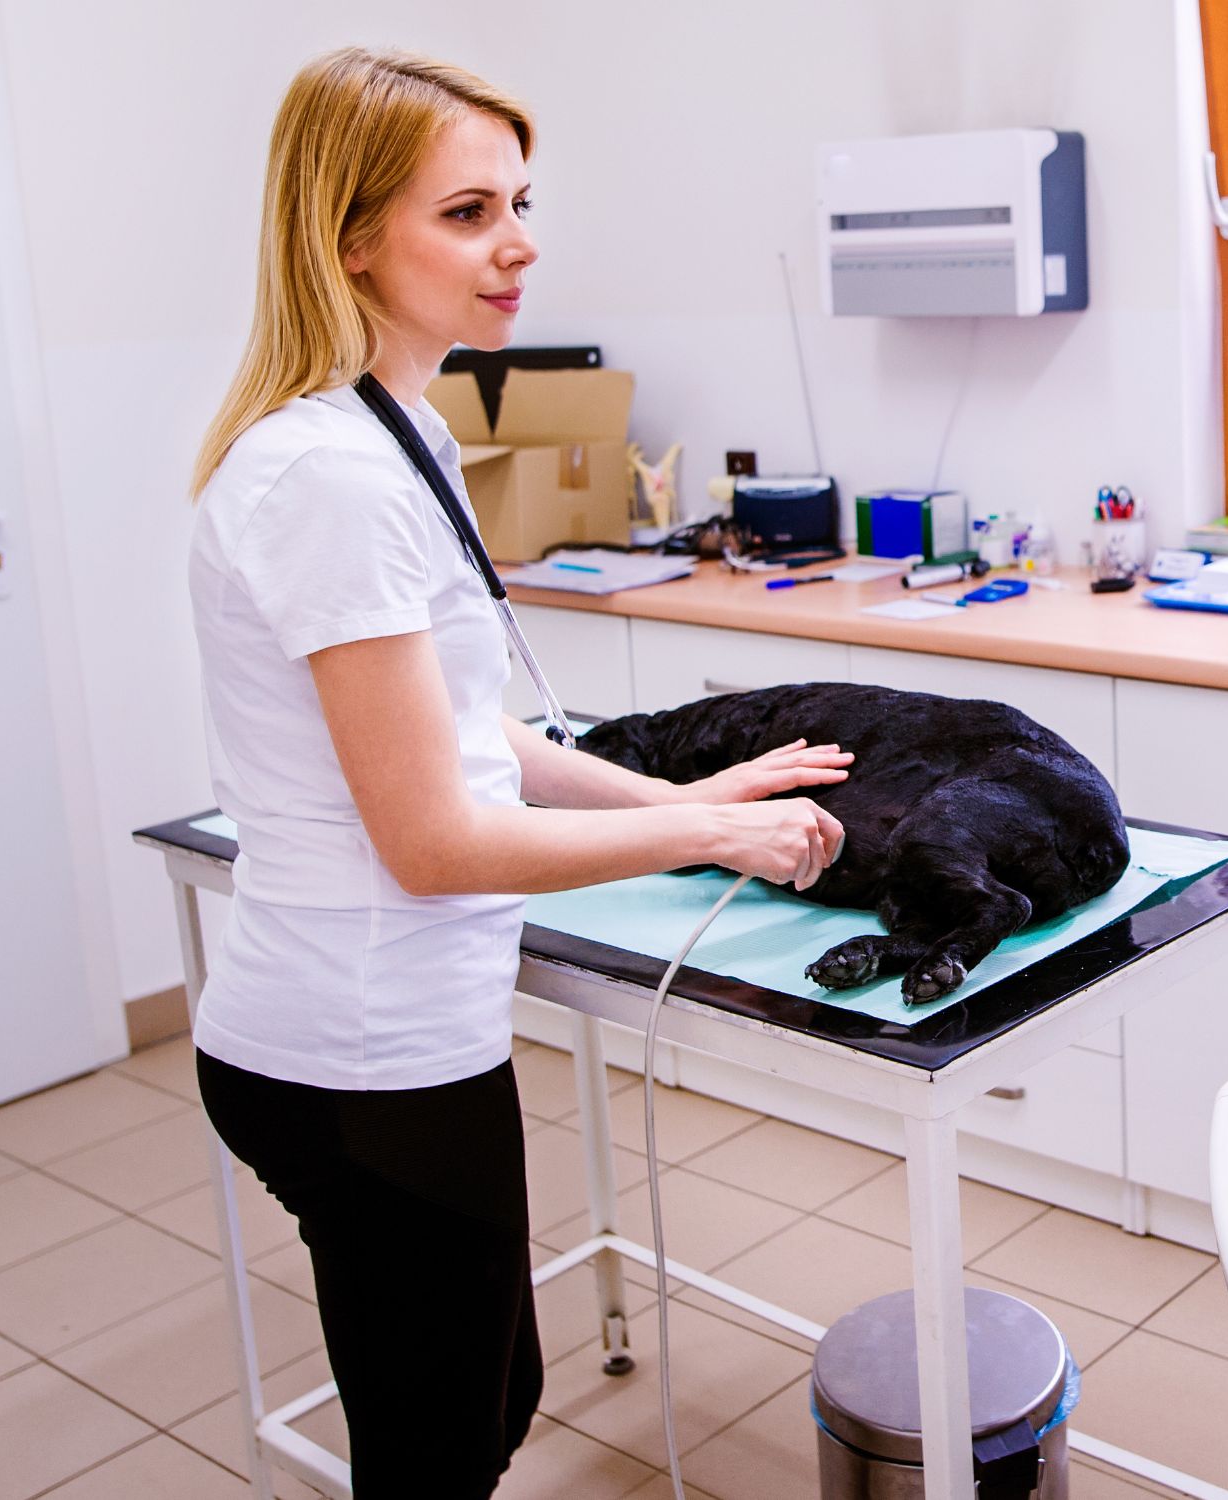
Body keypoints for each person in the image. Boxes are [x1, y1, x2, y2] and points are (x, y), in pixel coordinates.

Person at [184, 47, 847, 1496]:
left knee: (495, 1395)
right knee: (437, 1448)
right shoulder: (329, 480)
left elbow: (474, 737)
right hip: (358, 1052)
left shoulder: (399, 429)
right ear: (349, 239)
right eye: (469, 211)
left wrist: (687, 802)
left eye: (519, 202)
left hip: (403, 1033)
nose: (521, 244)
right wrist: (706, 847)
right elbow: (432, 838)